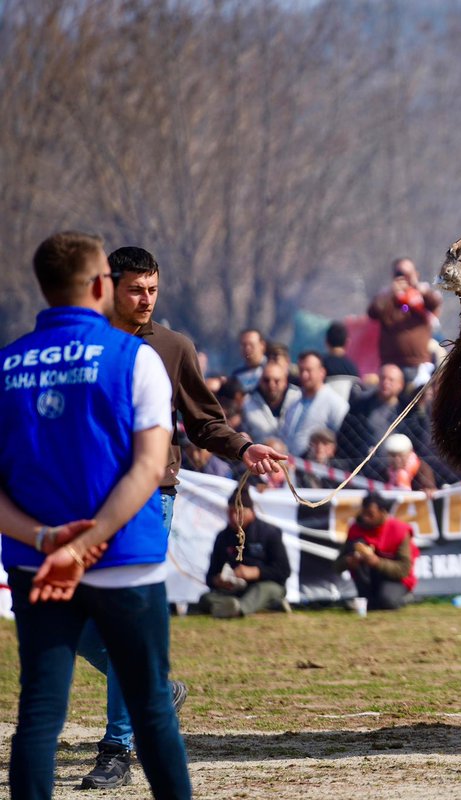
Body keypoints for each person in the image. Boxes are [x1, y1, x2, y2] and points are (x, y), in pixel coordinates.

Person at [73, 245, 285, 790]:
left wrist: (244, 449)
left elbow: (204, 422)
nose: (146, 301)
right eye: (135, 290)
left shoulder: (172, 347)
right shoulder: (81, 343)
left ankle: (118, 747)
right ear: (108, 286)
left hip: (150, 496)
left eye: (153, 291)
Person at [0, 231, 191, 798]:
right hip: (126, 555)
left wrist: (46, 538)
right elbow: (148, 468)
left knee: (38, 711)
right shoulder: (135, 359)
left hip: (37, 559)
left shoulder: (7, 365)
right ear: (101, 285)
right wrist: (90, 541)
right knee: (152, 704)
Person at [200, 485, 291, 618]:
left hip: (265, 585)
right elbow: (210, 576)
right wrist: (219, 580)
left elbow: (283, 571)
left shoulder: (269, 533)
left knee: (261, 590)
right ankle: (266, 606)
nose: (233, 516)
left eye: (238, 512)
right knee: (205, 598)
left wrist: (255, 572)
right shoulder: (223, 537)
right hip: (236, 589)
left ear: (251, 511)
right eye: (230, 511)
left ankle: (238, 609)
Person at [333, 493, 418, 611]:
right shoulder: (356, 529)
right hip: (368, 578)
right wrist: (348, 561)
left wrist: (377, 562)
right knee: (372, 605)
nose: (365, 518)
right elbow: (337, 565)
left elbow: (404, 569)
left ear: (383, 512)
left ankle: (404, 598)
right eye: (364, 513)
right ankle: (368, 599)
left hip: (395, 578)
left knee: (387, 601)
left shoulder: (400, 530)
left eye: (370, 514)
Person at [368, 257, 442, 386]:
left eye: (408, 274)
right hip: (392, 366)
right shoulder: (387, 296)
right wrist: (392, 292)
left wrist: (416, 286)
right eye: (400, 273)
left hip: (418, 364)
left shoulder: (422, 293)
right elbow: (373, 312)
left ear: (416, 274)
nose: (404, 278)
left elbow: (435, 303)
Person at [280, 350, 350, 457]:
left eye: (309, 370)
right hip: (290, 464)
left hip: (316, 468)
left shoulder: (335, 403)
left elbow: (341, 438)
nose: (304, 375)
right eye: (301, 370)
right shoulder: (294, 401)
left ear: (322, 372)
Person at [242, 360, 302, 443]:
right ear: (260, 381)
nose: (271, 385)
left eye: (276, 381)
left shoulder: (299, 399)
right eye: (266, 380)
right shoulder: (246, 403)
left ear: (285, 381)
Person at [231, 328, 268, 392]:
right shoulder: (237, 375)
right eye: (244, 345)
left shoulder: (273, 370)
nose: (247, 348)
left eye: (251, 345)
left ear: (262, 345)